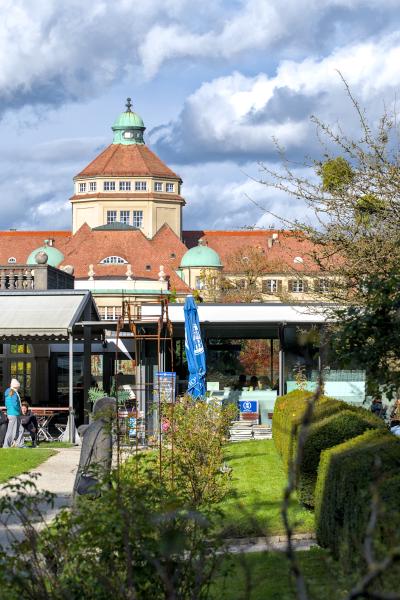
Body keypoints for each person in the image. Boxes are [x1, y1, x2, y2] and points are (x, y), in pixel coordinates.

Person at [3, 378, 25, 448]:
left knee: (20, 429)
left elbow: (7, 404)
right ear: (16, 386)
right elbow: (14, 403)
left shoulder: (9, 392)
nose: (18, 388)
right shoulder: (13, 392)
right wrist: (19, 410)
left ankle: (19, 444)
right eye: (18, 386)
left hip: (11, 413)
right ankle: (7, 445)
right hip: (14, 413)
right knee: (12, 431)